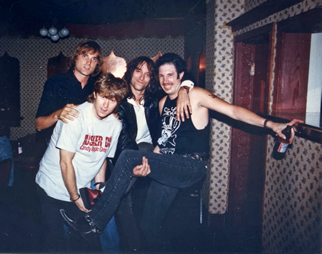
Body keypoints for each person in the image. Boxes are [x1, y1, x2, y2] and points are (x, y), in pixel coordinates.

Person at [60, 53, 303, 251]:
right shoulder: (164, 103)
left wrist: (271, 124)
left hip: (190, 166)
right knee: (149, 227)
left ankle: (93, 223)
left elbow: (233, 111)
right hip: (169, 166)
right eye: (162, 75)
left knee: (127, 156)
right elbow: (162, 143)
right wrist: (147, 164)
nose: (165, 80)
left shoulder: (195, 95)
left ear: (181, 76)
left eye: (171, 76)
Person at [35, 73, 128, 252]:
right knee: (55, 244)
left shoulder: (115, 125)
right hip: (52, 187)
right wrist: (75, 197)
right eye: (103, 97)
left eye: (113, 100)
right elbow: (65, 163)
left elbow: (101, 158)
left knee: (82, 244)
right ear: (95, 94)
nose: (106, 105)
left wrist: (98, 187)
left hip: (79, 188)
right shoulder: (75, 117)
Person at [112, 56, 193, 251]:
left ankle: (107, 193)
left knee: (143, 149)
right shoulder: (118, 100)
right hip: (125, 156)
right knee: (123, 203)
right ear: (130, 71)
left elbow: (184, 78)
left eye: (148, 74)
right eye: (138, 71)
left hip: (152, 154)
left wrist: (184, 88)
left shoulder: (155, 100)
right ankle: (135, 248)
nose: (142, 77)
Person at [35, 41, 103, 142]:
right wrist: (58, 115)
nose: (89, 63)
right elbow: (39, 125)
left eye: (93, 59)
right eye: (85, 56)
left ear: (97, 63)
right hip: (57, 144)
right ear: (75, 58)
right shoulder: (55, 82)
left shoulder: (98, 87)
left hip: (86, 145)